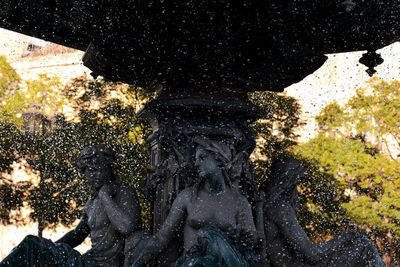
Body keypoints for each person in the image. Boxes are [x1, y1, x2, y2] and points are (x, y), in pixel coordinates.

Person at [0, 145, 142, 267]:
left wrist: (105, 196)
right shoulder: (92, 202)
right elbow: (77, 235)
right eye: (91, 170)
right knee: (34, 248)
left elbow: (127, 227)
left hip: (101, 265)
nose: (97, 174)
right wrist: (49, 250)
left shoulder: (123, 192)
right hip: (88, 261)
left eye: (101, 169)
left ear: (110, 169)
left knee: (31, 244)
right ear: (84, 172)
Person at [132, 137, 259, 266]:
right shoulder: (188, 197)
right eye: (196, 159)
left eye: (202, 158)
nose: (197, 164)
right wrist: (140, 260)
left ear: (220, 161)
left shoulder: (239, 202)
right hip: (192, 263)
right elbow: (162, 237)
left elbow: (251, 237)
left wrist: (247, 238)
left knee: (209, 235)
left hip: (225, 262)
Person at [261, 156, 386, 267]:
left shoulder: (269, 205)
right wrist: (343, 238)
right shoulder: (280, 209)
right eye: (295, 183)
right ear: (288, 182)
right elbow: (311, 254)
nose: (296, 190)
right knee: (362, 245)